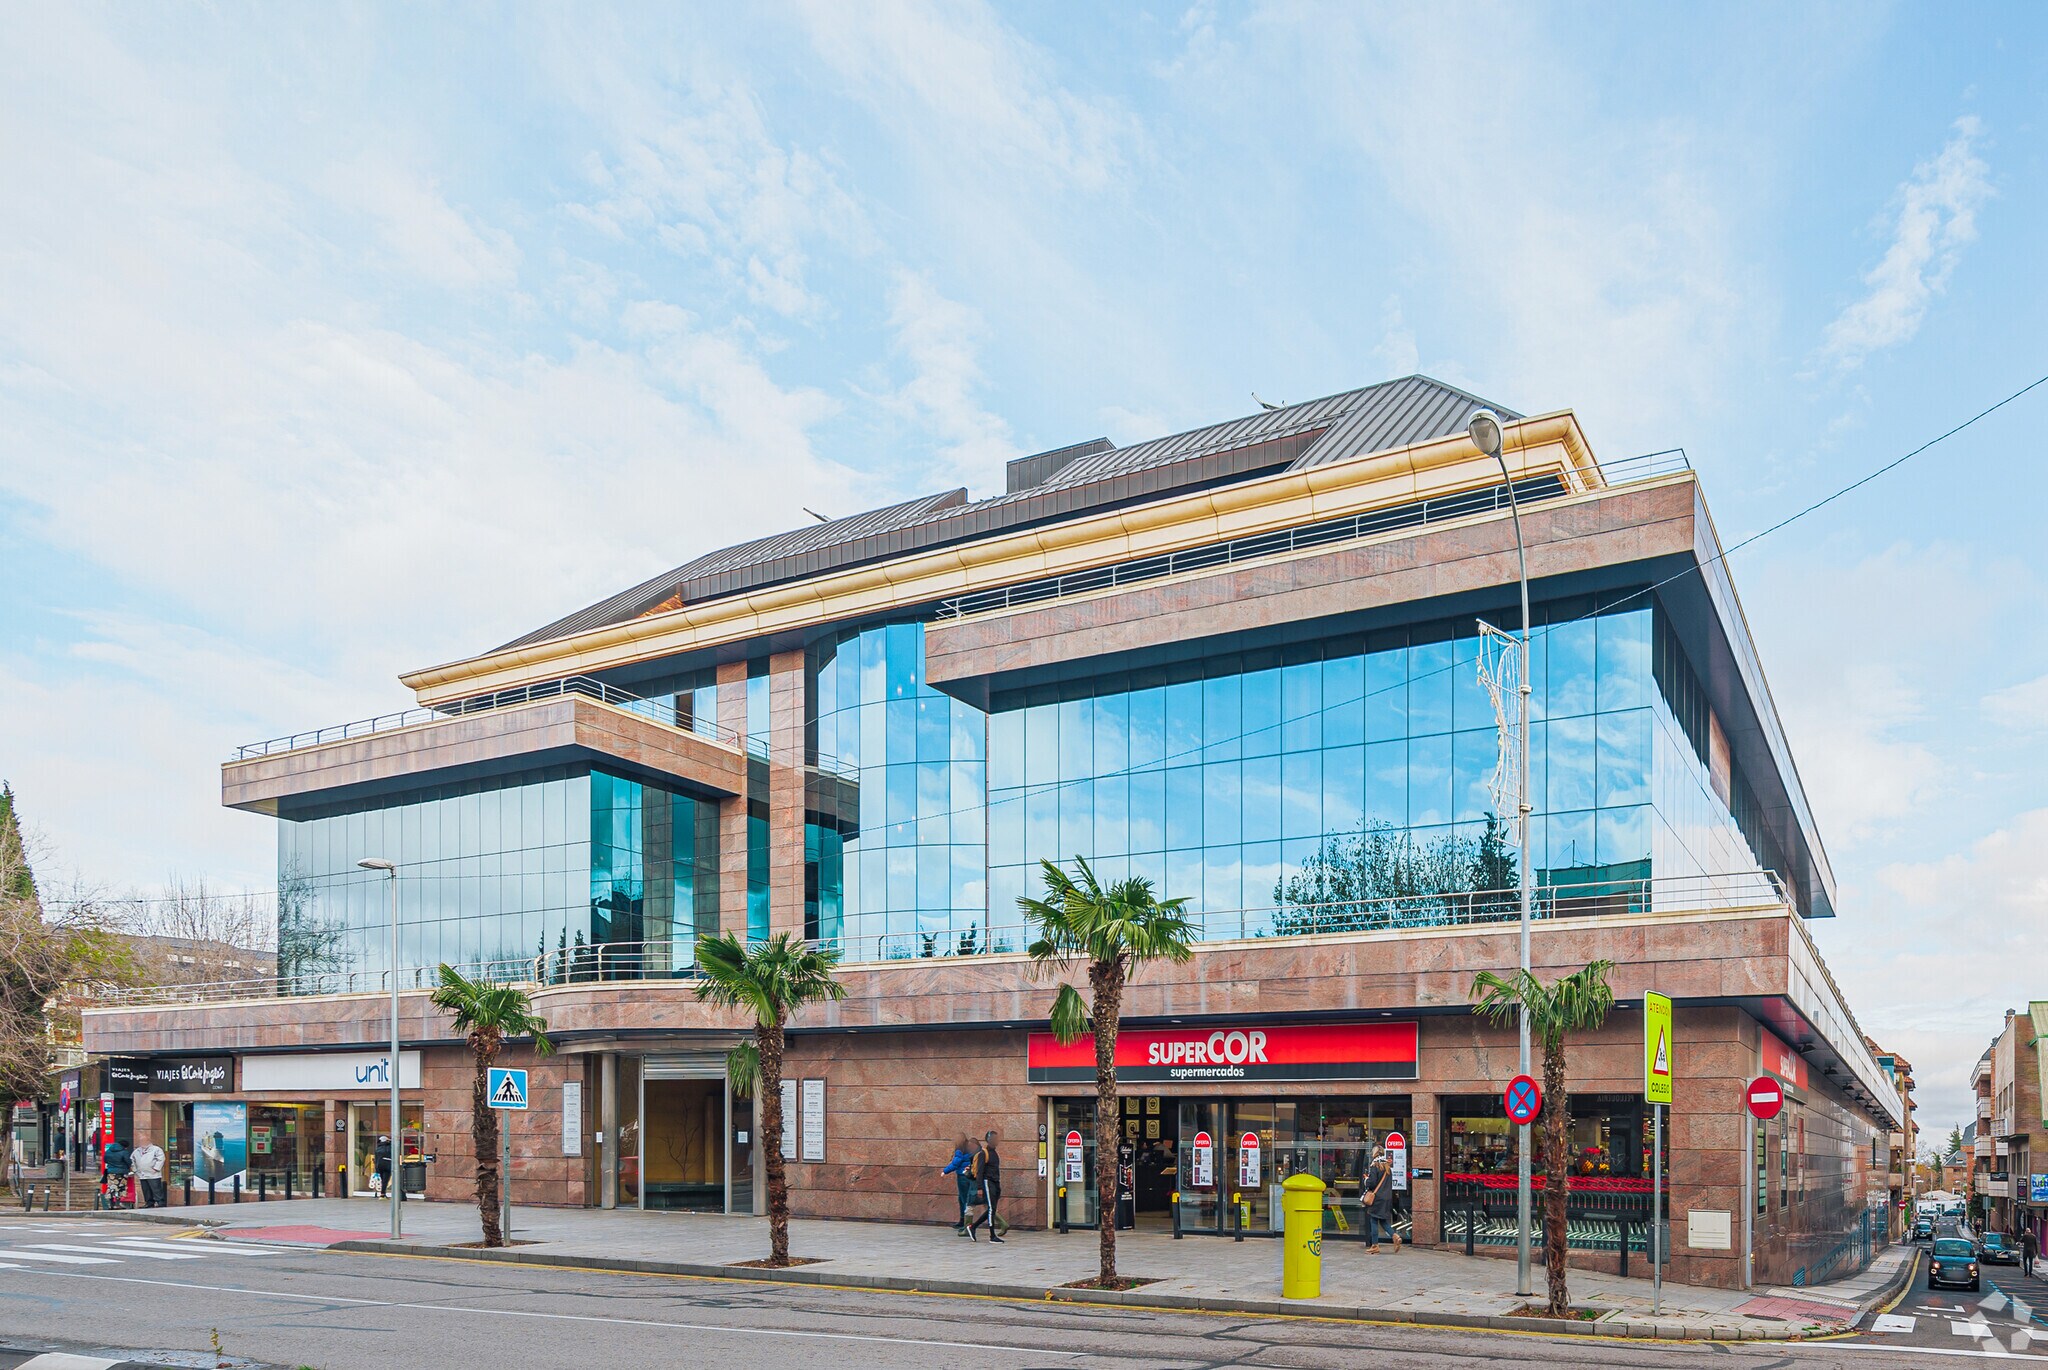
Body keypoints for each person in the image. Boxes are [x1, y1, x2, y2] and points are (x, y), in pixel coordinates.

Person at [968, 1129, 1007, 1242]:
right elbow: (980, 1172)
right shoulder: (983, 1153)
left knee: (992, 1209)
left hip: (995, 1183)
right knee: (991, 1209)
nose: (996, 1141)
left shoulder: (994, 1153)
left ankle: (973, 1227)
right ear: (989, 1140)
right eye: (994, 1139)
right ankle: (992, 1236)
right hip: (987, 1182)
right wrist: (980, 1188)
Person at [1363, 1144, 1398, 1252]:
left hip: (1377, 1198)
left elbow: (1372, 1183)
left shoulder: (1375, 1166)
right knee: (1383, 1220)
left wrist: (1366, 1180)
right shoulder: (1387, 1167)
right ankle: (1395, 1236)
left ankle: (1375, 1245)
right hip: (1387, 1198)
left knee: (1373, 1220)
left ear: (1375, 1154)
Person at [941, 1134, 976, 1236]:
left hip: (962, 1176)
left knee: (964, 1199)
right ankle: (962, 1221)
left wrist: (945, 1171)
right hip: (969, 1176)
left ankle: (966, 1225)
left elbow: (955, 1163)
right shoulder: (970, 1148)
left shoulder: (960, 1150)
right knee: (962, 1199)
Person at [130, 1138, 166, 1209]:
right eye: (141, 1141)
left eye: (143, 1141)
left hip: (153, 1174)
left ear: (148, 1141)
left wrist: (156, 1168)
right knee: (146, 1189)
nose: (142, 1143)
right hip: (142, 1174)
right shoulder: (137, 1151)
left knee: (156, 1189)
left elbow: (161, 1158)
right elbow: (132, 1160)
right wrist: (135, 1170)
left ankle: (160, 1202)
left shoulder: (156, 1149)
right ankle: (149, 1202)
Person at [101, 1137, 132, 1209]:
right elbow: (128, 1162)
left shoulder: (109, 1150)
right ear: (125, 1146)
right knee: (120, 1188)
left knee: (112, 1187)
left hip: (110, 1172)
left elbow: (105, 1160)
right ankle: (117, 1204)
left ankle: (111, 1204)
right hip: (121, 1172)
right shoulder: (124, 1152)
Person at [371, 1135, 392, 1199]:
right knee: (385, 1180)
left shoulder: (378, 1148)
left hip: (379, 1166)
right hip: (387, 1165)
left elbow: (376, 1159)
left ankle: (382, 1193)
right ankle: (383, 1194)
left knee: (383, 1180)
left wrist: (376, 1168)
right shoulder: (389, 1147)